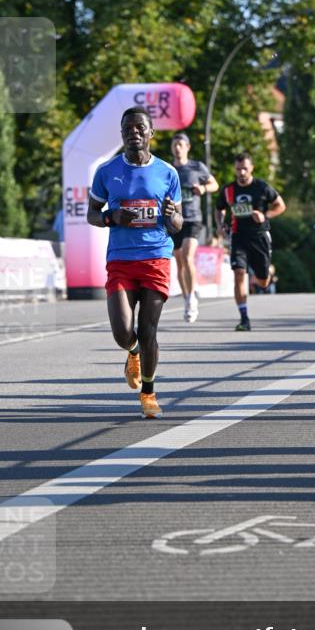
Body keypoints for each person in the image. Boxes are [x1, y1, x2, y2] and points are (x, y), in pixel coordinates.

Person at [86, 107, 182, 418]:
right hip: (121, 260)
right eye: (128, 128)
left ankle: (149, 393)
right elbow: (91, 214)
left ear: (152, 133)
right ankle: (133, 353)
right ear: (122, 133)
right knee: (122, 331)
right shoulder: (106, 171)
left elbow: (179, 222)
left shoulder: (168, 173)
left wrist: (172, 216)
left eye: (140, 127)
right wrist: (110, 217)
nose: (134, 132)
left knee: (148, 328)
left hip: (156, 257)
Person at [215, 152, 286, 331]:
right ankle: (244, 318)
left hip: (259, 237)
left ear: (251, 168)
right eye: (238, 169)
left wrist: (265, 215)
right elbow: (220, 208)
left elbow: (281, 206)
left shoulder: (261, 187)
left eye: (245, 168)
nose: (242, 172)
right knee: (239, 273)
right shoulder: (228, 190)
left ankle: (266, 272)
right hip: (238, 236)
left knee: (263, 282)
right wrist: (221, 224)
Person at [170, 132, 218, 323]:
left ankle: (192, 300)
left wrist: (204, 189)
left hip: (193, 218)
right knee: (180, 262)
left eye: (181, 144)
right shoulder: (168, 169)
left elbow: (215, 183)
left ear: (188, 147)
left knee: (188, 256)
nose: (177, 147)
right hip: (174, 220)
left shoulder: (197, 167)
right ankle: (187, 297)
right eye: (175, 144)